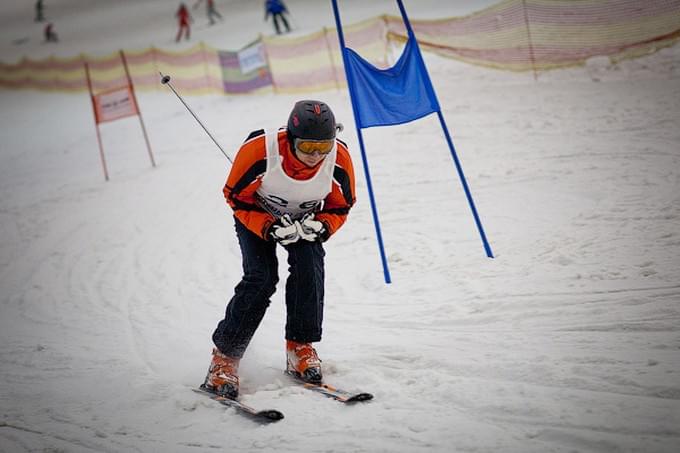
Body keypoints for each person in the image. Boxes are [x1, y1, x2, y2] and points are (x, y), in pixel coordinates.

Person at [203, 100, 356, 398]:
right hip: (257, 214)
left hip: (305, 220)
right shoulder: (260, 152)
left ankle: (299, 347)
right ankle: (224, 358)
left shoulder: (339, 159)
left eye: (323, 148)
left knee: (309, 267)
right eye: (308, 148)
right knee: (261, 277)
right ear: (291, 140)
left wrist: (322, 226)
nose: (315, 157)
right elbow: (235, 197)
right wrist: (267, 227)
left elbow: (342, 205)